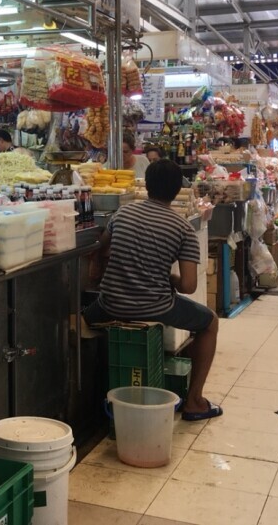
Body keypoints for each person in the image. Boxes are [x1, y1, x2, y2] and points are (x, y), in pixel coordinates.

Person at [85, 160, 222, 421]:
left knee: (80, 321)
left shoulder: (122, 214)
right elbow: (188, 286)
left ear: (146, 186)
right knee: (210, 323)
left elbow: (101, 248)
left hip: (110, 303)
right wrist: (168, 276)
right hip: (155, 307)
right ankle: (194, 401)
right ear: (178, 190)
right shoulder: (182, 228)